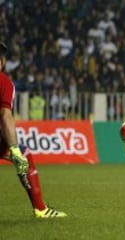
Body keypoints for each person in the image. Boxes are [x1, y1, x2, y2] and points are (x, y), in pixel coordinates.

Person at [0, 42, 67, 217]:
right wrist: (14, 150)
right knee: (23, 155)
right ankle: (40, 209)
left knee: (23, 154)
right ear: (2, 61)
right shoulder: (4, 83)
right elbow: (5, 116)